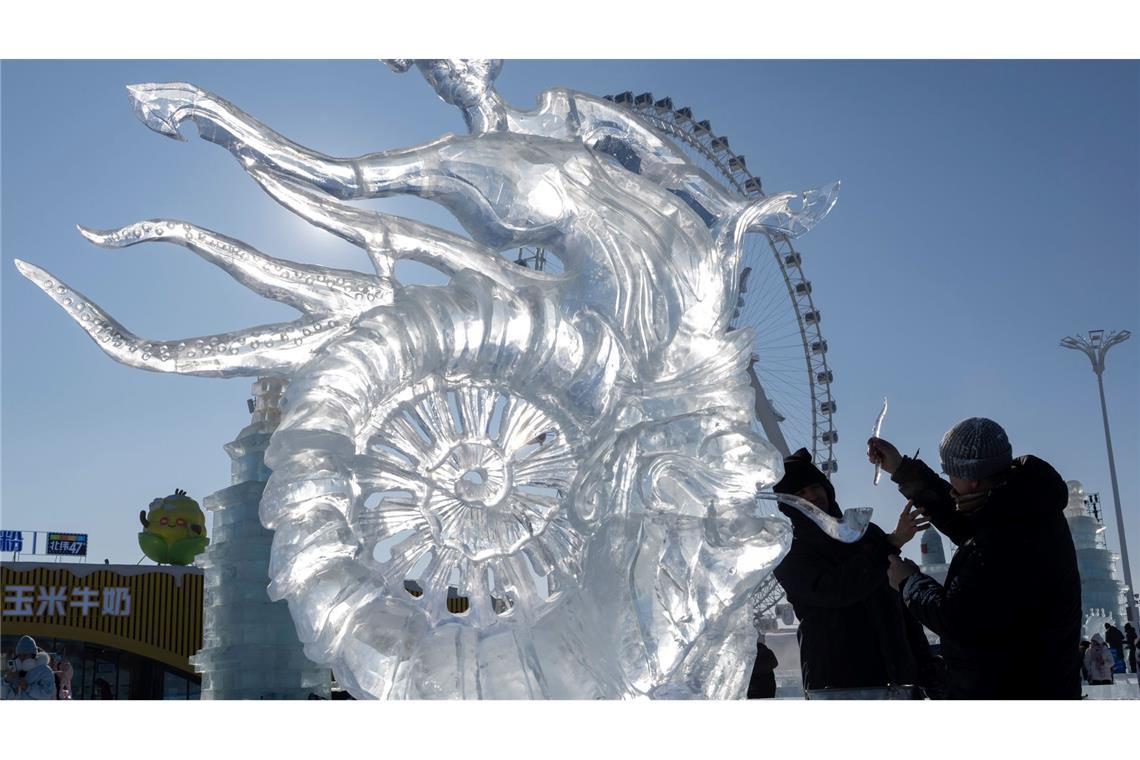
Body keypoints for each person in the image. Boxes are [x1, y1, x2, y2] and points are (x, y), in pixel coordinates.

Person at [868, 417, 1082, 699]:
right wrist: (900, 468)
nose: (948, 480)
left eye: (950, 473)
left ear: (972, 480)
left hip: (1011, 688)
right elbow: (962, 518)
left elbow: (956, 618)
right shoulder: (1023, 505)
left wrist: (909, 582)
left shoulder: (1005, 538)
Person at [771, 448, 937, 698]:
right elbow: (834, 591)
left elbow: (900, 601)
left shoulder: (868, 533)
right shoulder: (788, 552)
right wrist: (889, 544)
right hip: (838, 684)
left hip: (900, 676)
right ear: (789, 504)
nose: (812, 496)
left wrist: (925, 665)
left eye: (815, 487)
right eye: (800, 494)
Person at [2, 635, 57, 700]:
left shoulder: (44, 671)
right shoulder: (15, 670)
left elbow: (47, 694)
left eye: (25, 655)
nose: (21, 658)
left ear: (33, 655)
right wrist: (6, 682)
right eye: (19, 655)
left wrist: (28, 687)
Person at [746, 634, 779, 699]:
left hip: (753, 686)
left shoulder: (750, 652)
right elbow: (775, 663)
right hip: (768, 685)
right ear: (762, 641)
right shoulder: (768, 652)